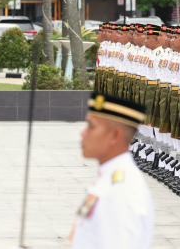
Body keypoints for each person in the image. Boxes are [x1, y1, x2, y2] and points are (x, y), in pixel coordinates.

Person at [70, 93, 154, 249]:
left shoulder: (121, 191)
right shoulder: (110, 178)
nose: (83, 133)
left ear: (115, 136)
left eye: (91, 126)